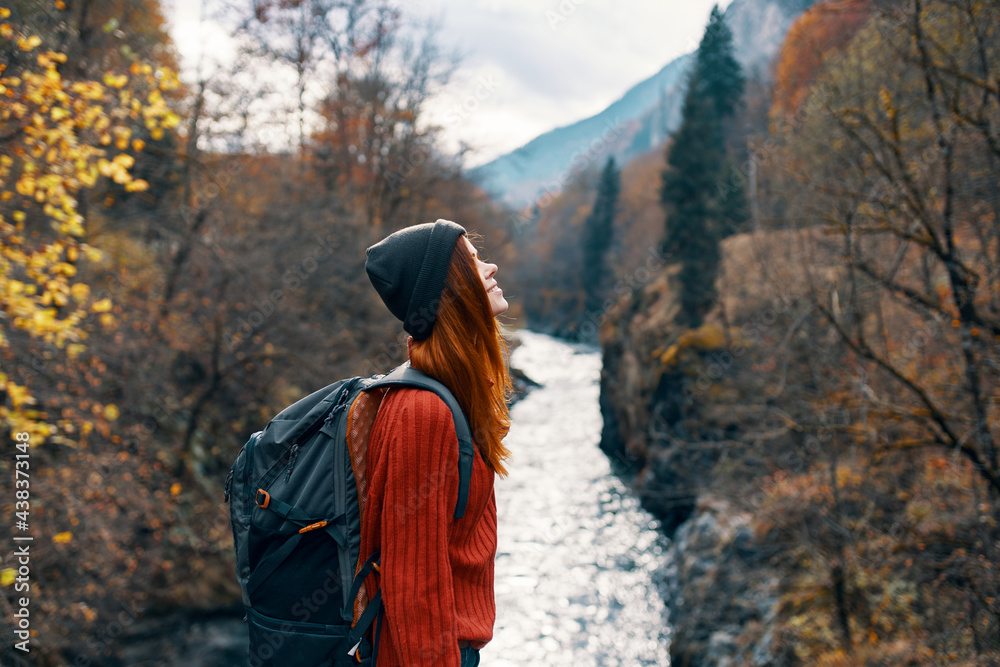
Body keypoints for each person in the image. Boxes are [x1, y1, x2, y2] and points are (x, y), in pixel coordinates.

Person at [360, 219, 513, 667]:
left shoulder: (454, 395)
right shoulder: (424, 414)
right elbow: (414, 589)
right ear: (448, 292)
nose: (490, 267)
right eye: (472, 261)